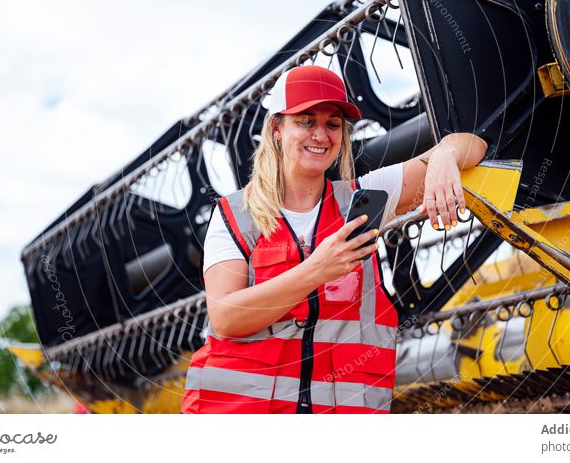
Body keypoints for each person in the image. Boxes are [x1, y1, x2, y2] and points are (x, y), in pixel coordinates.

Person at [181, 65, 487, 414]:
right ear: (277, 129)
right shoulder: (235, 215)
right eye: (306, 121)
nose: (321, 135)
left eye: (333, 124)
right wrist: (316, 269)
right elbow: (226, 317)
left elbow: (474, 144)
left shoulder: (365, 197)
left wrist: (444, 155)